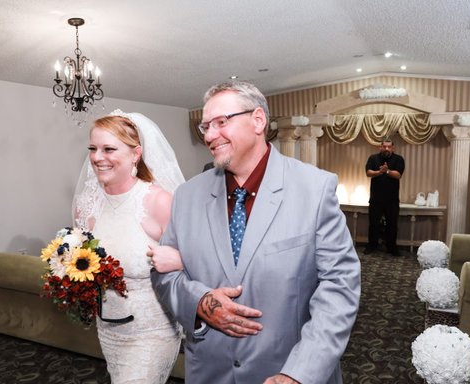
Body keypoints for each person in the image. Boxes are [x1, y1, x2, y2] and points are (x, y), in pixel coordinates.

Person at [150, 81, 361, 384]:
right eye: (205, 127)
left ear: (258, 120)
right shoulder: (186, 196)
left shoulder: (314, 189)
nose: (209, 135)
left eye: (221, 122)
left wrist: (299, 373)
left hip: (287, 369)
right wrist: (200, 303)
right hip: (210, 372)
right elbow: (163, 274)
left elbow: (340, 287)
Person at [72, 110, 185, 383]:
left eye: (109, 149)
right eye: (93, 148)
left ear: (136, 154)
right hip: (109, 328)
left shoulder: (158, 201)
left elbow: (197, 262)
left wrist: (181, 260)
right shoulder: (85, 205)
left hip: (153, 331)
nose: (98, 157)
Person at [364, 139, 405, 256]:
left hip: (392, 200)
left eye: (389, 147)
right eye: (384, 146)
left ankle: (392, 248)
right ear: (380, 147)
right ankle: (372, 246)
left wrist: (387, 171)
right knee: (373, 224)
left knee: (392, 224)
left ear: (393, 148)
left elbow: (398, 175)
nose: (386, 149)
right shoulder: (373, 158)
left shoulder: (398, 159)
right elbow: (368, 173)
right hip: (375, 199)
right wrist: (380, 172)